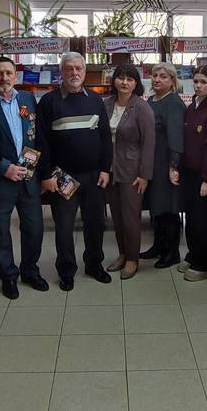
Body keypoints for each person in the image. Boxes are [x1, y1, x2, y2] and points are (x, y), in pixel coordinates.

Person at [37, 52, 114, 290]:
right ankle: (66, 270)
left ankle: (94, 264)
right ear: (61, 72)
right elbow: (41, 141)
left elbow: (105, 137)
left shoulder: (95, 100)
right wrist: (46, 175)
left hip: (93, 175)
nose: (74, 73)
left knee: (95, 224)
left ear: (84, 71)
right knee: (64, 228)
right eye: (69, 68)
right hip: (62, 176)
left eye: (78, 68)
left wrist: (105, 169)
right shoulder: (49, 102)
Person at [0, 56, 51, 299]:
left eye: (8, 73)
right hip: (0, 179)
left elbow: (35, 136)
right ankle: (8, 275)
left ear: (15, 75)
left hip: (28, 177)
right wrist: (4, 167)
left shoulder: (27, 99)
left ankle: (30, 270)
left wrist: (31, 166)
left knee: (34, 228)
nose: (4, 78)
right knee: (0, 231)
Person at [104, 64, 155, 281]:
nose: (124, 82)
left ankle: (133, 258)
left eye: (130, 79)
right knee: (117, 217)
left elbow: (149, 144)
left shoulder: (142, 108)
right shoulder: (106, 104)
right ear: (114, 80)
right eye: (120, 78)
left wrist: (144, 175)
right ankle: (123, 254)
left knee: (131, 218)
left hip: (133, 172)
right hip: (110, 170)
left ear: (136, 84)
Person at [178, 65, 207, 282]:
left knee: (203, 220)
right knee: (191, 218)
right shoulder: (192, 107)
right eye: (196, 81)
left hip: (203, 175)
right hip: (188, 171)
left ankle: (203, 263)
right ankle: (193, 254)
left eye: (203, 82)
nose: (198, 86)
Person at [140, 63, 186, 269]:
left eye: (163, 76)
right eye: (155, 75)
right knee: (156, 207)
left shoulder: (173, 103)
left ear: (172, 81)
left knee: (168, 208)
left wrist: (173, 167)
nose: (157, 79)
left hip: (166, 162)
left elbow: (176, 136)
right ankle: (158, 246)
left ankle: (172, 252)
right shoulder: (151, 100)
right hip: (151, 162)